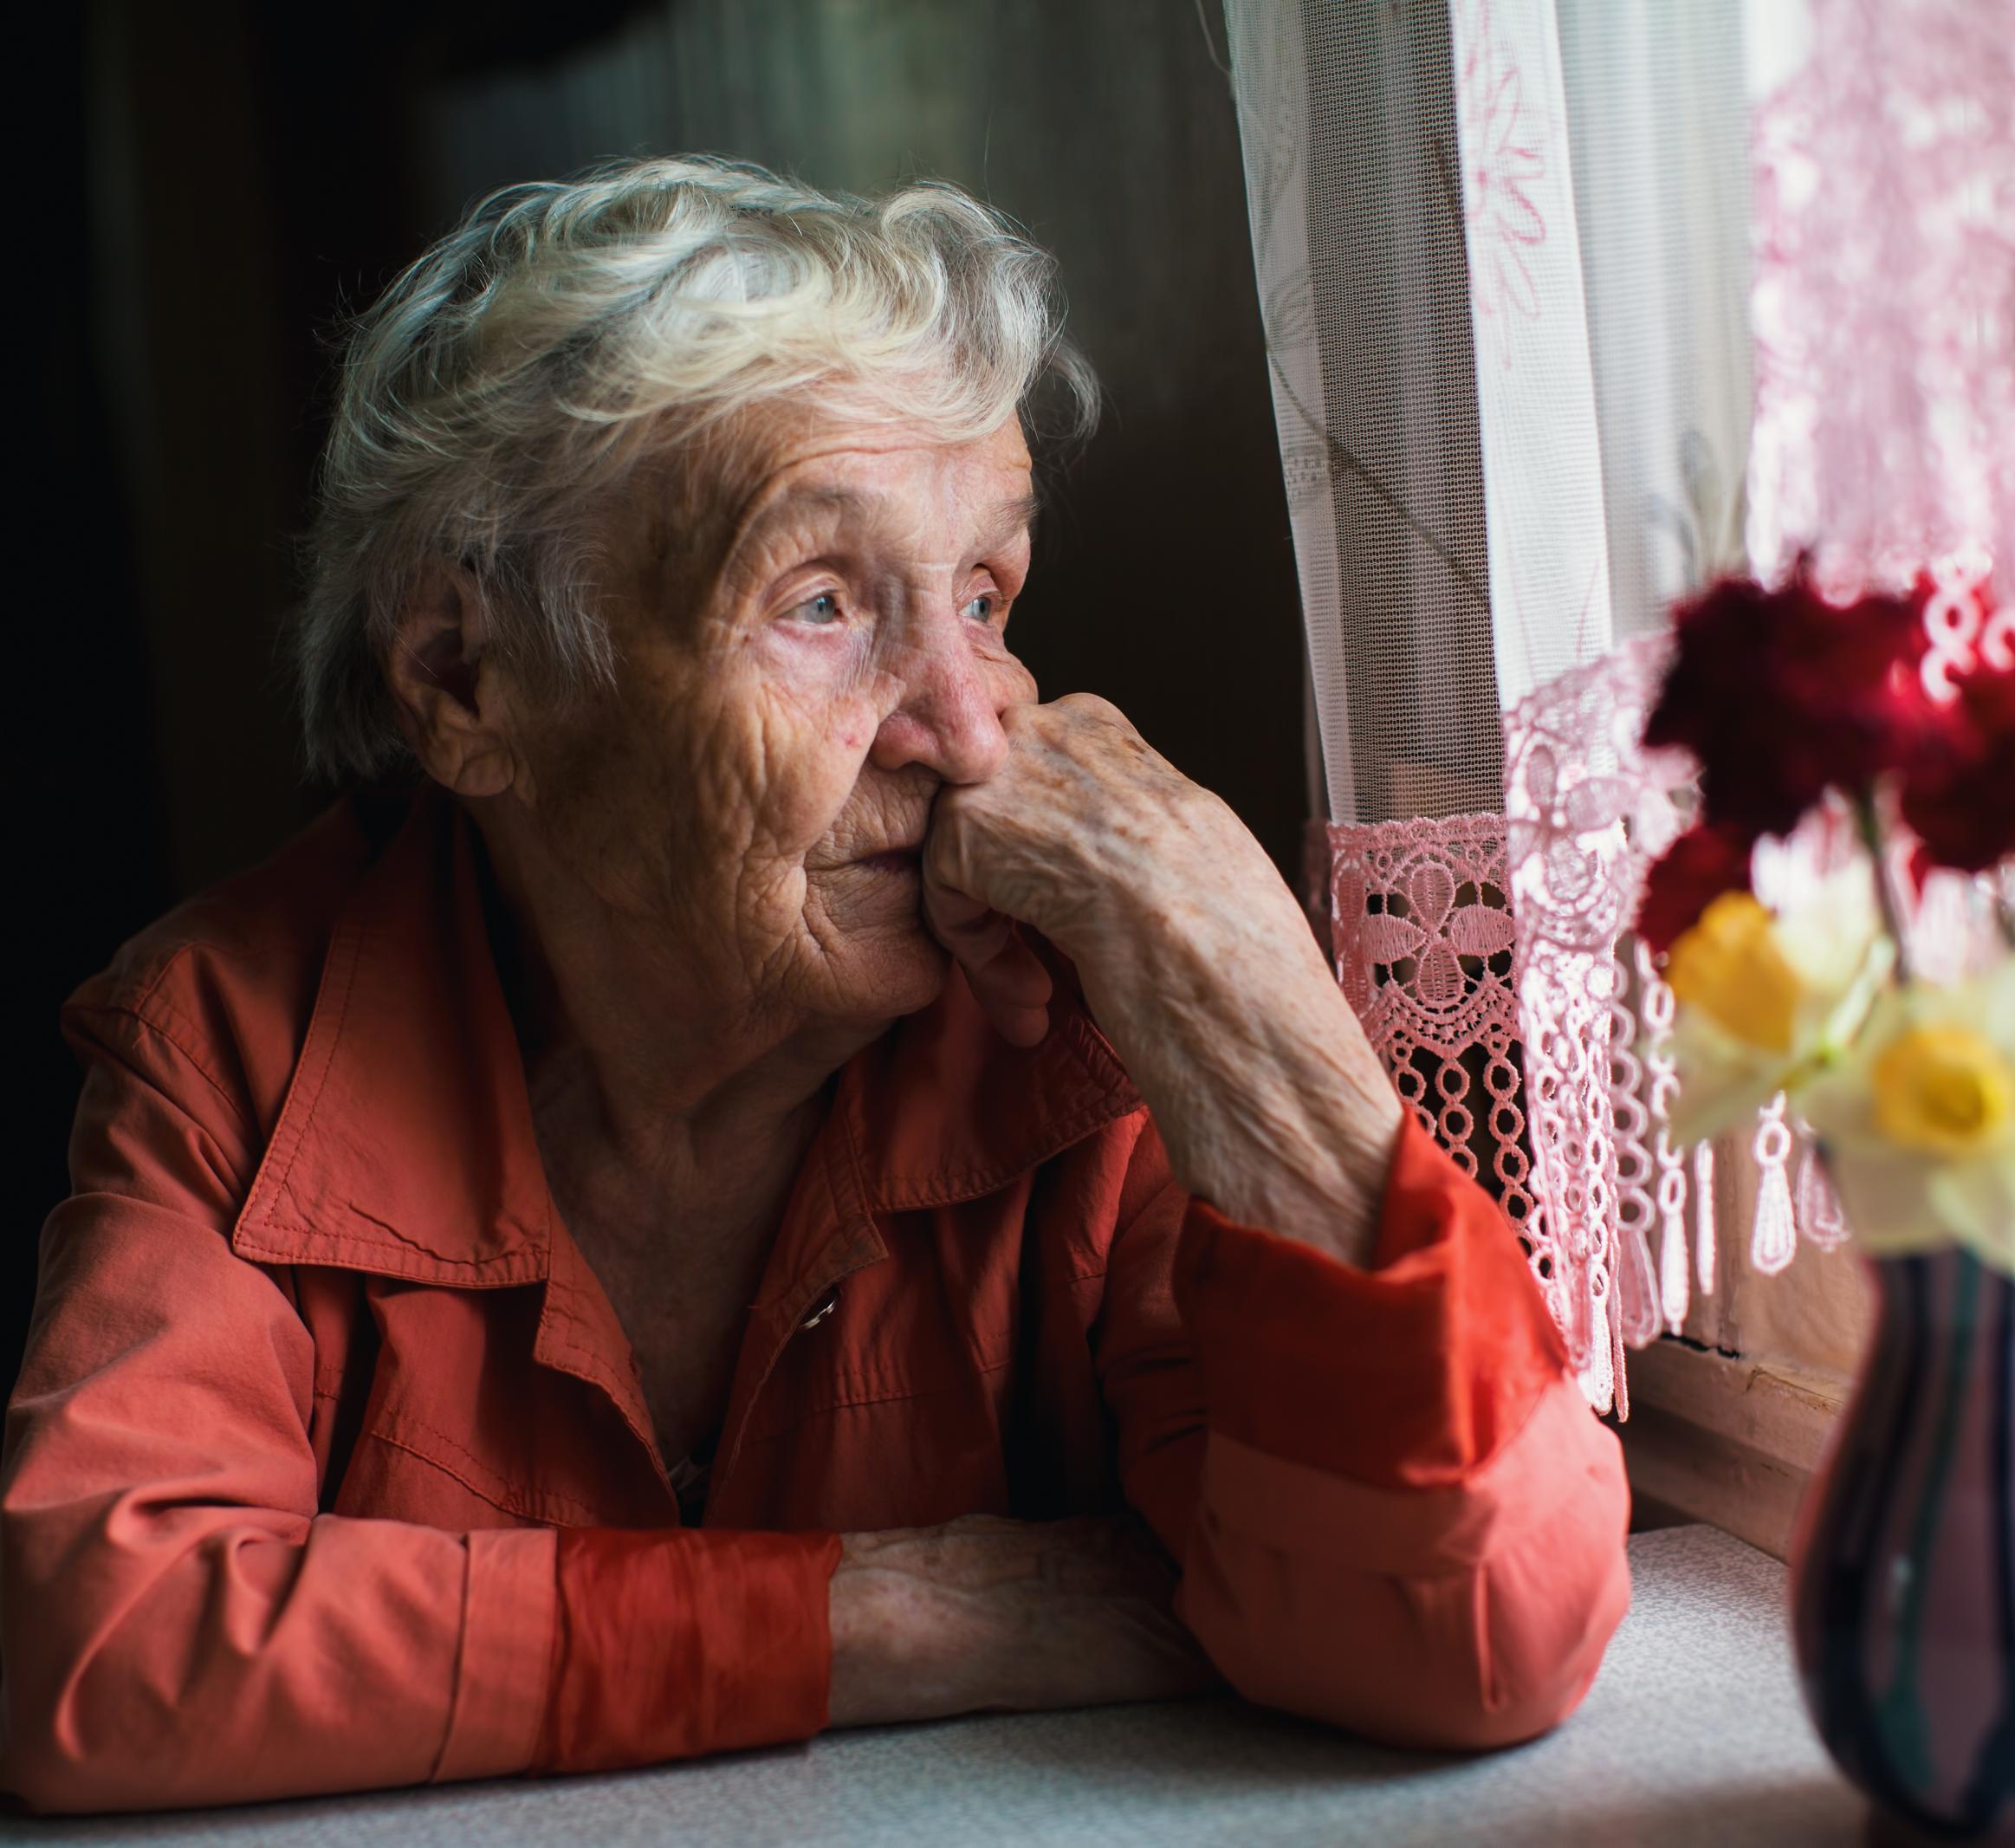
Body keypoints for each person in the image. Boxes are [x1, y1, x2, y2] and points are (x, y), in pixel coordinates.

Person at [0, 158, 1629, 1812]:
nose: (972, 725)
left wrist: (1237, 983)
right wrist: (899, 1611)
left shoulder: (1076, 1031)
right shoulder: (234, 1040)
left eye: (985, 596)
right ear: (462, 679)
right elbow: (95, 1638)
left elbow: (1478, 1629)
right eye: (824, 603)